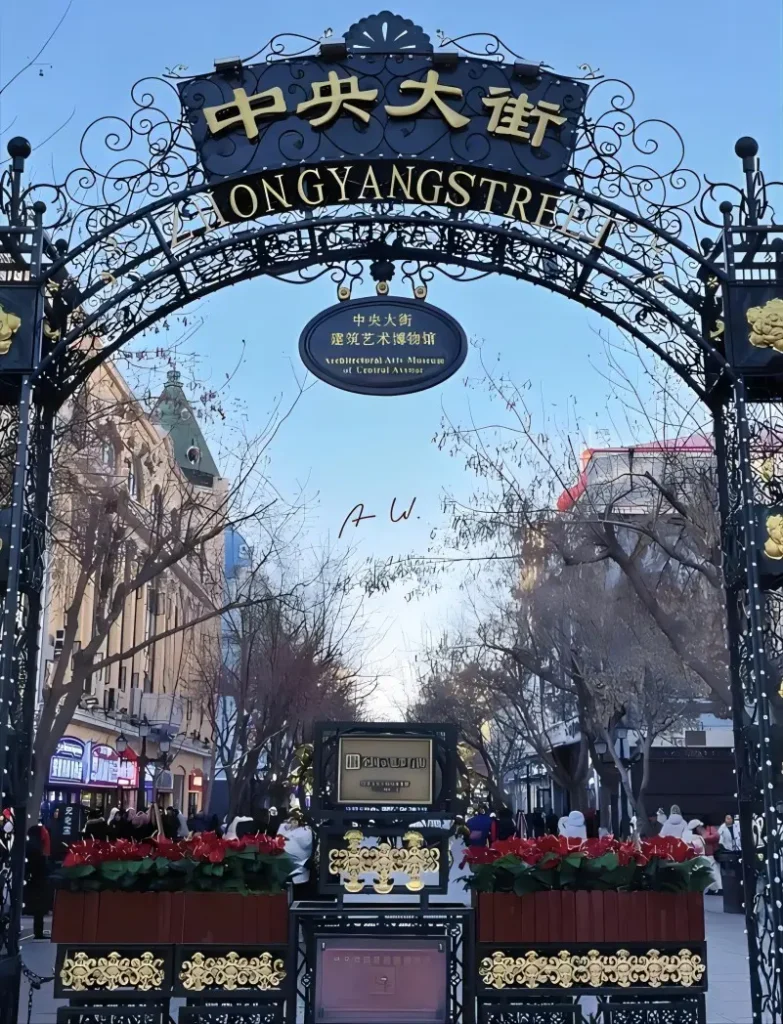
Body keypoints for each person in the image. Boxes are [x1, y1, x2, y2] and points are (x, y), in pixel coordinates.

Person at [278, 809, 314, 900]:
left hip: (300, 869)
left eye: (294, 820)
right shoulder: (285, 828)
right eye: (290, 820)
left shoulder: (306, 830)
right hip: (284, 870)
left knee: (300, 897)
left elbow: (306, 842)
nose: (292, 822)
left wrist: (290, 834)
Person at [24, 826, 51, 940]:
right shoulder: (37, 850)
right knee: (38, 910)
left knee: (37, 910)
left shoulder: (28, 846)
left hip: (31, 882)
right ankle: (38, 932)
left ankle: (38, 932)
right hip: (37, 882)